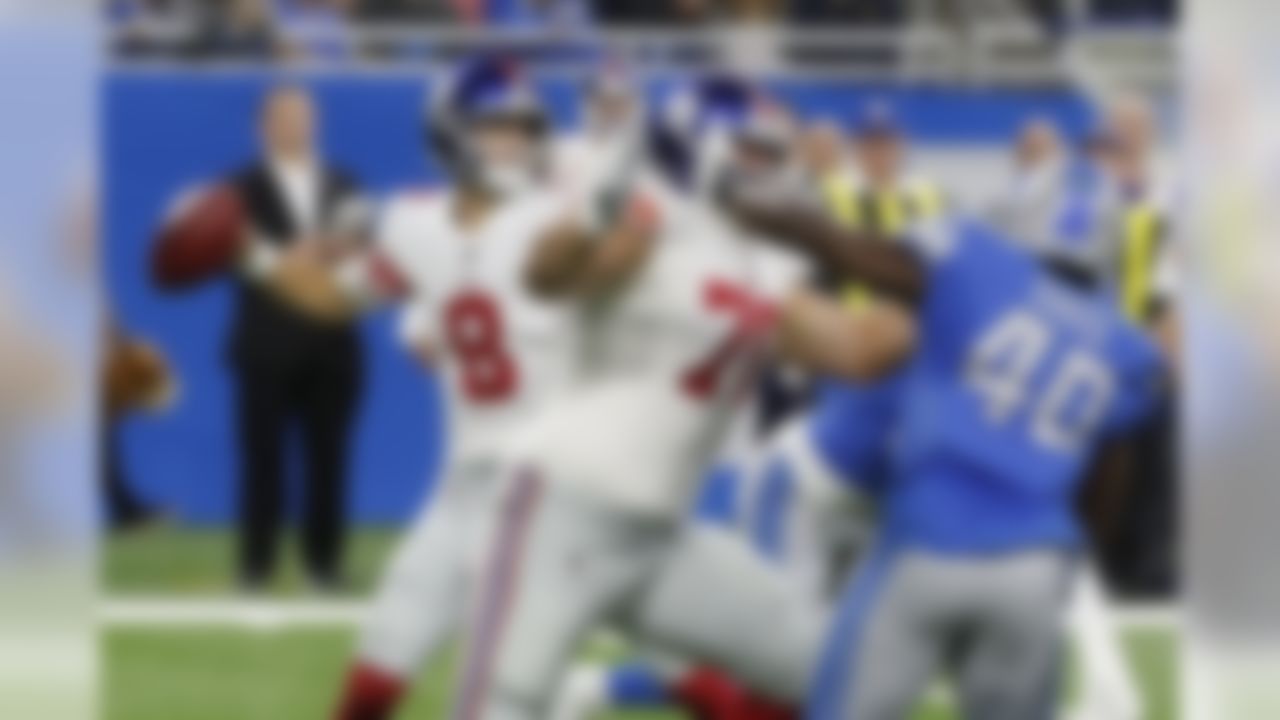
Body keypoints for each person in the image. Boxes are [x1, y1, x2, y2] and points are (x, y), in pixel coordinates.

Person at [450, 75, 915, 720]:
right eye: (751, 150)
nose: (766, 168)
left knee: (831, 665)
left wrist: (956, 303)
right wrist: (590, 219)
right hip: (561, 510)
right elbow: (548, 276)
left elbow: (856, 349)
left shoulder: (764, 261)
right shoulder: (651, 213)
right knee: (501, 705)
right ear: (700, 143)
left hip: (660, 537)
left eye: (773, 153)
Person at [723, 181, 1170, 720]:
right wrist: (1069, 558)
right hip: (1035, 563)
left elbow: (856, 255)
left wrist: (762, 212)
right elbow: (1107, 478)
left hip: (930, 539)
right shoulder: (1126, 346)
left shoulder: (979, 261)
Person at [327, 56, 583, 720]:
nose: (514, 143)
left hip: (546, 492)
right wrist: (265, 255)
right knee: (379, 662)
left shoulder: (559, 223)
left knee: (507, 696)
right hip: (462, 486)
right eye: (496, 128)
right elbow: (350, 298)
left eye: (523, 129)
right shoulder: (419, 224)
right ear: (452, 132)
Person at [226, 84, 368, 592]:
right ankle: (255, 566)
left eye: (305, 116)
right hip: (266, 343)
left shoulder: (343, 181)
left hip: (332, 342)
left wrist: (305, 254)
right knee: (261, 460)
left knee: (330, 460)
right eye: (285, 117)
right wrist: (301, 256)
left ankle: (323, 566)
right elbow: (236, 254)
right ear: (263, 126)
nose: (297, 125)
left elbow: (360, 246)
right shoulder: (238, 187)